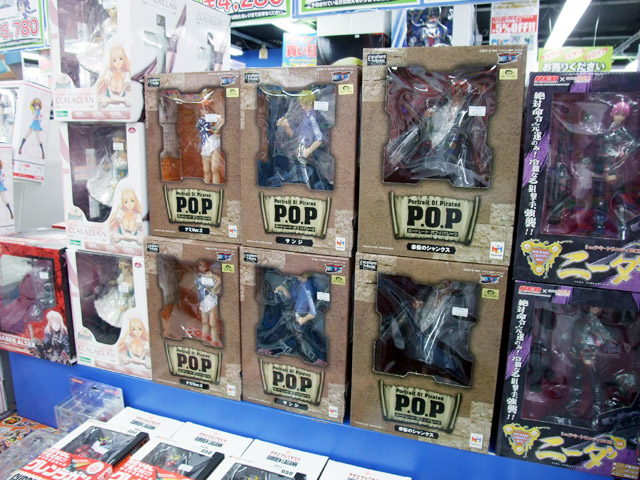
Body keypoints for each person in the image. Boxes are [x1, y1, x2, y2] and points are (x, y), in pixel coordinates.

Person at [276, 91, 331, 190]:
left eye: (302, 103)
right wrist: (287, 127)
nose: (300, 105)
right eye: (300, 102)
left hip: (311, 154)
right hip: (300, 151)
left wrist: (308, 150)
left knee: (310, 178)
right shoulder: (304, 116)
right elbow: (294, 135)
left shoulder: (312, 117)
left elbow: (319, 138)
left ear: (309, 102)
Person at [196, 99, 224, 184]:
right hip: (205, 144)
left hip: (213, 142)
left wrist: (216, 129)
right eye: (202, 109)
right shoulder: (200, 120)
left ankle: (216, 187)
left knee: (214, 169)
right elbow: (199, 130)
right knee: (206, 170)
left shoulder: (210, 117)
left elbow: (222, 120)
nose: (204, 111)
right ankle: (207, 186)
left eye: (206, 109)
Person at [195, 261, 222, 346]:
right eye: (200, 265)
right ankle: (204, 335)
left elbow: (219, 280)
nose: (202, 267)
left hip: (211, 299)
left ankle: (215, 338)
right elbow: (197, 285)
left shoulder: (210, 274)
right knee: (204, 320)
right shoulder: (199, 275)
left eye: (204, 265)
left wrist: (214, 288)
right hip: (203, 299)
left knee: (212, 322)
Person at [97, 43, 131, 108]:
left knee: (130, 101)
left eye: (121, 59)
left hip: (122, 94)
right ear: (111, 62)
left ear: (124, 59)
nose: (118, 62)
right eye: (114, 60)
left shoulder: (125, 73)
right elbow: (106, 81)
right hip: (110, 93)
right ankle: (117, 99)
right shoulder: (110, 71)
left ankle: (115, 99)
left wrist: (118, 98)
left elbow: (127, 83)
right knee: (102, 100)